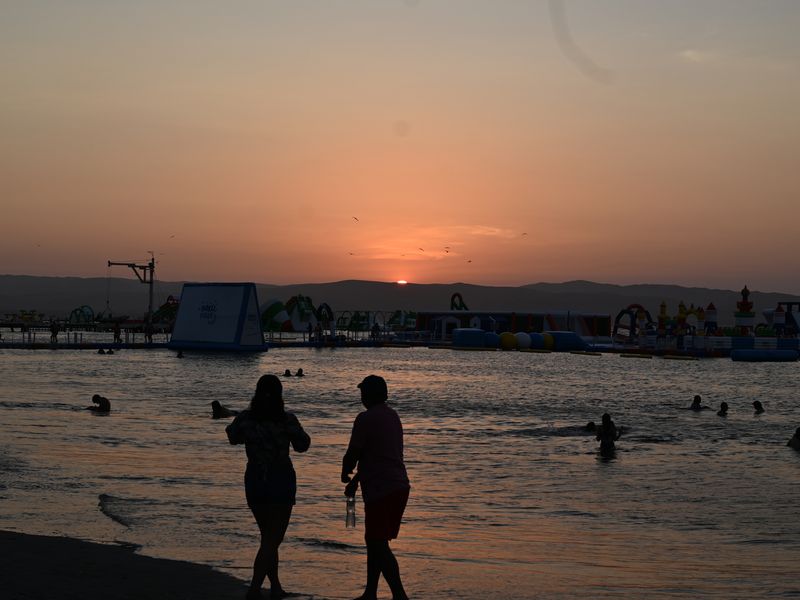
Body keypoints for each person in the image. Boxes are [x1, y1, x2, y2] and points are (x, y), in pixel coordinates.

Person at [226, 375, 310, 600]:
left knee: (268, 538)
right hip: (280, 480)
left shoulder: (246, 419)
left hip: (254, 480)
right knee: (272, 540)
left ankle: (275, 588)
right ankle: (254, 589)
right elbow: (304, 445)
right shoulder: (286, 420)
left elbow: (232, 436)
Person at [342, 375, 410, 600]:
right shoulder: (393, 416)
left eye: (363, 392)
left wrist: (345, 471)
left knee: (377, 543)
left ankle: (399, 595)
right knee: (375, 540)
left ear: (370, 395)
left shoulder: (365, 418)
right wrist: (355, 481)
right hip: (398, 486)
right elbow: (378, 455)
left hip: (382, 489)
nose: (361, 396)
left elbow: (354, 452)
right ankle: (370, 592)